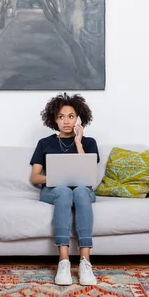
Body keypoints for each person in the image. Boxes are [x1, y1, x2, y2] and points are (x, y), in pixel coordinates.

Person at [30, 92, 100, 286]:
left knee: (77, 191)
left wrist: (78, 143)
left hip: (82, 190)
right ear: (54, 119)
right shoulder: (45, 143)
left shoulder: (89, 143)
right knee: (63, 190)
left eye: (71, 116)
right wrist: (57, 177)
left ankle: (85, 261)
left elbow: (89, 175)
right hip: (54, 191)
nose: (66, 121)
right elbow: (35, 177)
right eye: (61, 117)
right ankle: (64, 261)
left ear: (79, 118)